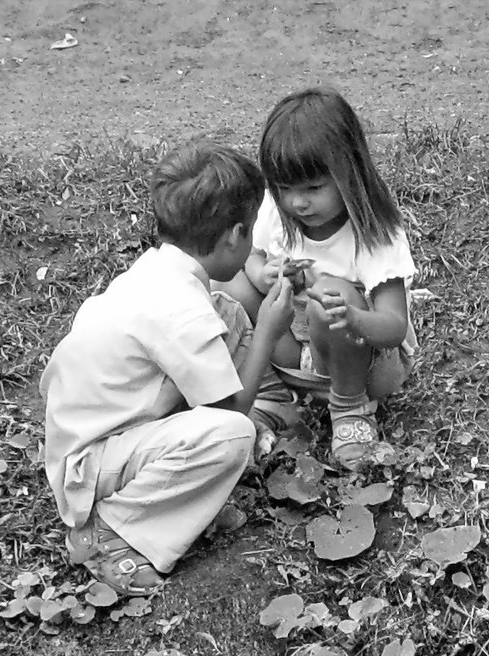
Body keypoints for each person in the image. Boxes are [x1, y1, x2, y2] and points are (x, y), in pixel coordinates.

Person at [40, 141, 295, 596]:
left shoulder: (157, 274)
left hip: (99, 437)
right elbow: (230, 414)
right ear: (236, 235)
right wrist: (271, 330)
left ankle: (198, 492)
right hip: (92, 467)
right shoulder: (181, 310)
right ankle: (111, 533)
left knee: (229, 313)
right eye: (253, 230)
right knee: (233, 436)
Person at [215, 87, 419, 471]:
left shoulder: (373, 233)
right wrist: (263, 274)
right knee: (228, 283)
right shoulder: (278, 212)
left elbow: (394, 327)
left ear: (350, 174)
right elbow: (253, 258)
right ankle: (272, 394)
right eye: (284, 189)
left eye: (312, 188)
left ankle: (350, 410)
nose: (297, 203)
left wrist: (355, 319)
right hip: (297, 352)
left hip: (363, 361)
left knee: (329, 294)